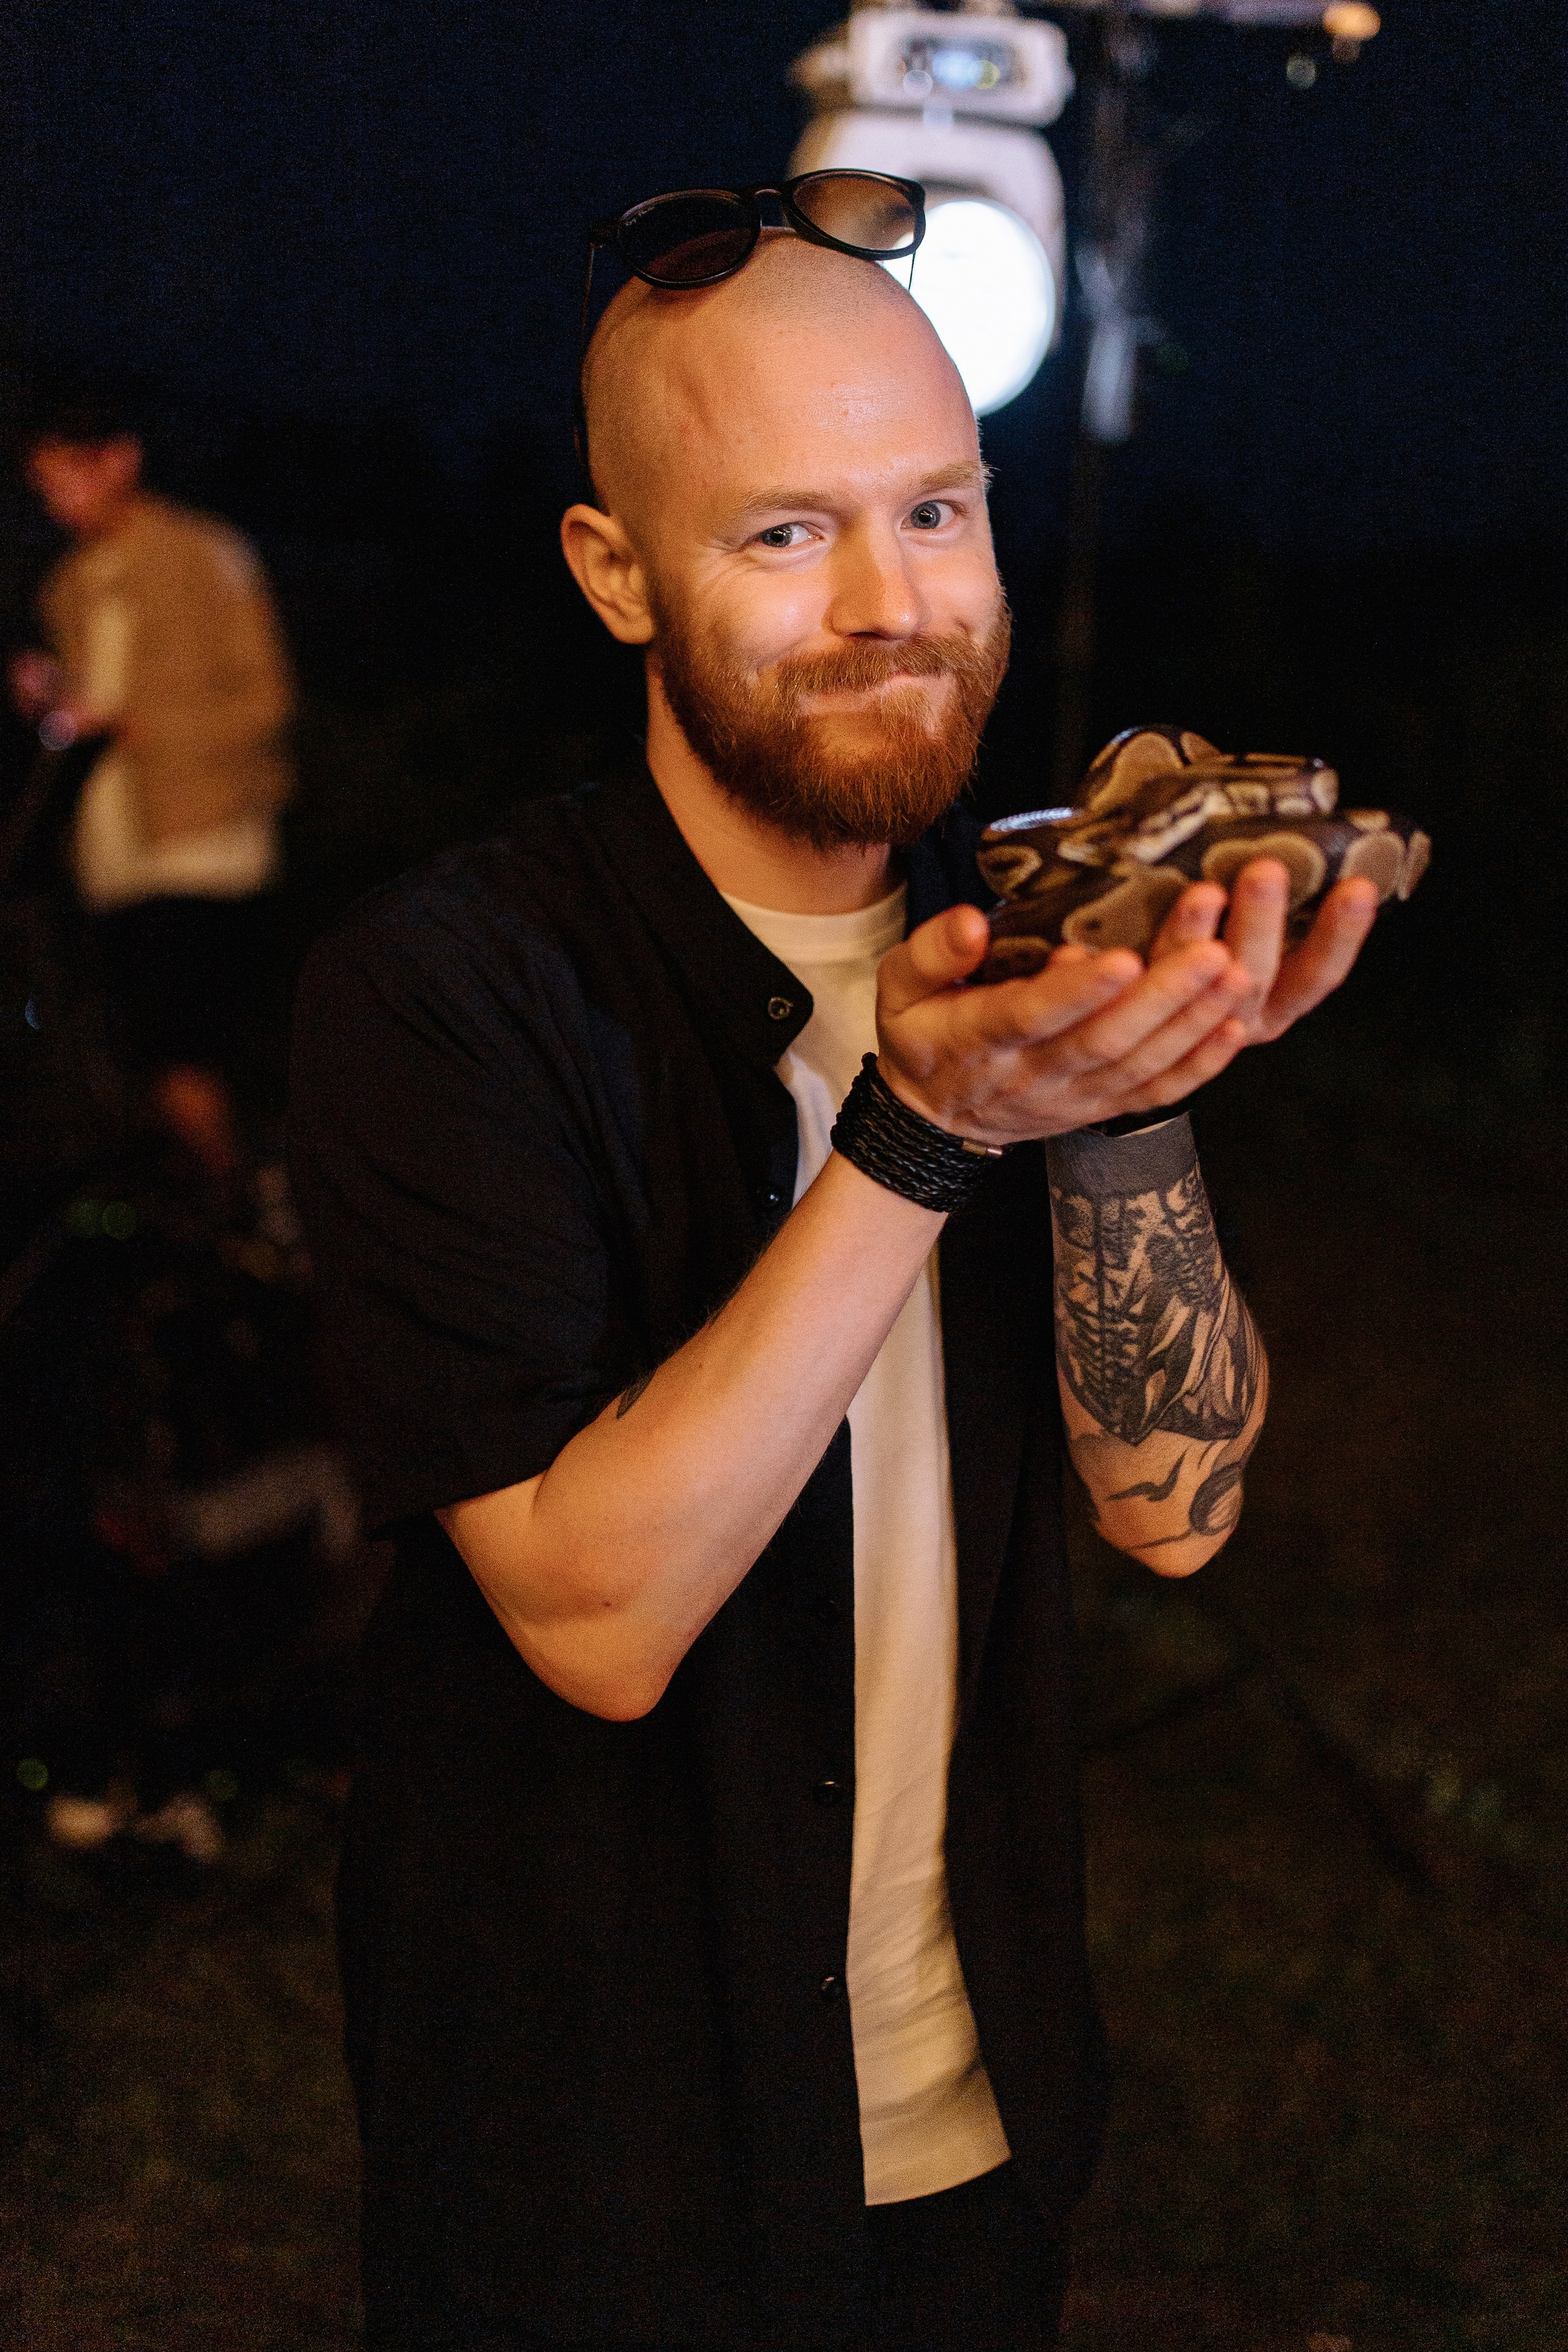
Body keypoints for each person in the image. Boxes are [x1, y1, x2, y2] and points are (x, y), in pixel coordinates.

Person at [290, 218, 1378, 2352]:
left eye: (938, 511)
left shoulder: (1027, 942)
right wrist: (926, 1128)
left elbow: (1179, 1507)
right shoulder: (446, 994)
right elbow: (595, 1620)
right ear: (616, 573)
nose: (896, 607)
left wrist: (1131, 1081)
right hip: (590, 2169)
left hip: (977, 2139)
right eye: (789, 532)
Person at [10, 380, 295, 1172]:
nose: (59, 499)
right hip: (112, 852)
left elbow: (266, 700)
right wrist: (48, 699)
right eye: (46, 484)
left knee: (192, 1054)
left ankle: (244, 1212)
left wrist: (139, 728)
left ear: (120, 459)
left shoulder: (203, 553)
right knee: (136, 1060)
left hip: (203, 839)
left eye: (71, 473)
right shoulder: (67, 585)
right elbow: (81, 715)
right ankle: (215, 1229)